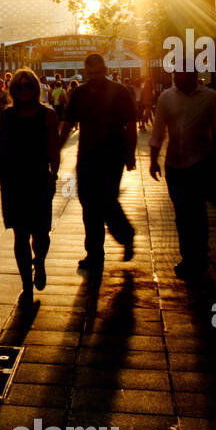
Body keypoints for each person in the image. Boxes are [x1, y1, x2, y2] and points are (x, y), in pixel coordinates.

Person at [59, 52, 138, 277]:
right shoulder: (79, 94)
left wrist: (130, 154)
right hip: (86, 157)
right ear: (86, 72)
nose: (95, 77)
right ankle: (95, 253)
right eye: (91, 73)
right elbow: (68, 123)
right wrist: (56, 149)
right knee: (88, 205)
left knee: (106, 201)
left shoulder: (120, 92)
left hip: (112, 157)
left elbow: (131, 124)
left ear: (105, 69)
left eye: (99, 72)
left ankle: (125, 235)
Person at [149, 67, 216, 279]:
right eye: (178, 74)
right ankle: (188, 255)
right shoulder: (166, 98)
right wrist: (153, 160)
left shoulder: (210, 98)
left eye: (185, 74)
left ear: (195, 77)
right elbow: (158, 130)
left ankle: (200, 253)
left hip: (200, 162)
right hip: (174, 162)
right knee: (182, 213)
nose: (181, 78)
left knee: (196, 210)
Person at [0, 68, 61, 305]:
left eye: (28, 86)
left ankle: (39, 262)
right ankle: (26, 288)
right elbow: (0, 146)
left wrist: (54, 174)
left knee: (41, 234)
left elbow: (53, 148)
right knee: (20, 235)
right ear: (13, 91)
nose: (24, 91)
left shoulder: (47, 115)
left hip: (39, 178)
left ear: (36, 88)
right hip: (13, 180)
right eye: (18, 87)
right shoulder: (8, 116)